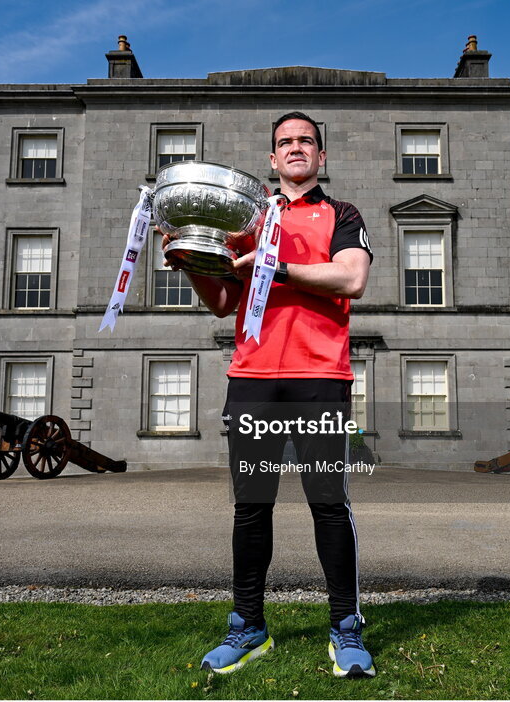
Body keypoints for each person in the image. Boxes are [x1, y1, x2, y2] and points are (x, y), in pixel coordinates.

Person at [165, 112, 374, 678]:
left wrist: (278, 266)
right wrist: (190, 260)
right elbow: (222, 303)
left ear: (321, 156)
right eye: (285, 143)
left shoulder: (343, 215)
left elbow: (351, 278)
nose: (296, 148)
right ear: (272, 159)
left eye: (306, 140)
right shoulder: (247, 220)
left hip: (319, 381)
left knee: (329, 507)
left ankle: (346, 630)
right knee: (251, 509)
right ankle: (249, 628)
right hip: (253, 380)